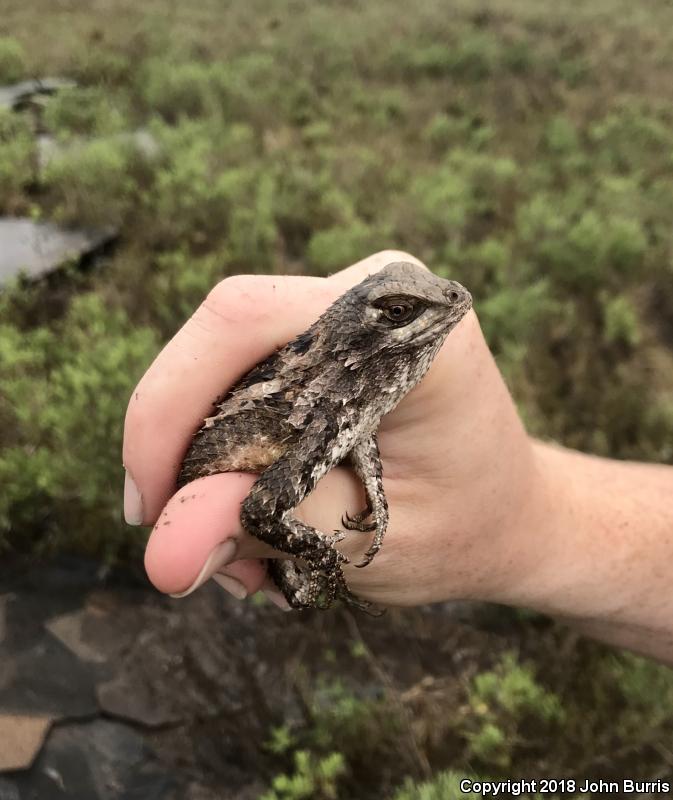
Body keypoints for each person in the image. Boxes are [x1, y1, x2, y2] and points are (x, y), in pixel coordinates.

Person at [122, 251, 673, 664]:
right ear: (359, 343)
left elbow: (354, 434)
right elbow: (264, 511)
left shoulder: (344, 402)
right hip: (234, 448)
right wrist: (323, 556)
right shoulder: (319, 409)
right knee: (296, 585)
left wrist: (377, 496)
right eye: (401, 311)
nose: (454, 298)